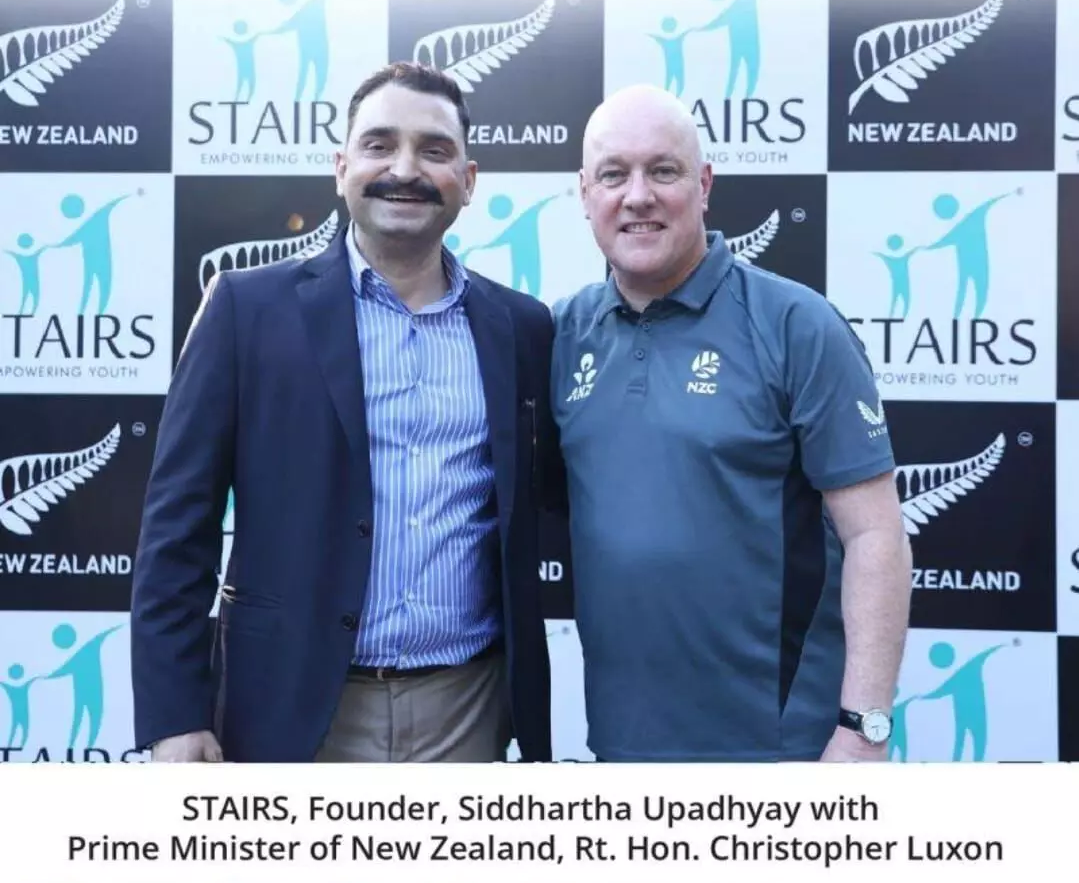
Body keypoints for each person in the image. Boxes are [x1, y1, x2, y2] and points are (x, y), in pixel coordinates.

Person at [130, 61, 560, 763]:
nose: (405, 169)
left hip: (468, 711)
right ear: (341, 168)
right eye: (379, 145)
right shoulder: (244, 310)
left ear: (468, 179)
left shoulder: (522, 327)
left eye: (434, 150)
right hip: (286, 710)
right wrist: (175, 715)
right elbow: (178, 527)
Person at [551, 84, 912, 763]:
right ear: (584, 193)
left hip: (783, 748)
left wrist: (862, 730)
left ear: (705, 184)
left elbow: (875, 535)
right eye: (613, 174)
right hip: (620, 745)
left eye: (663, 171)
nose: (637, 196)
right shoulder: (561, 334)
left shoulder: (796, 325)